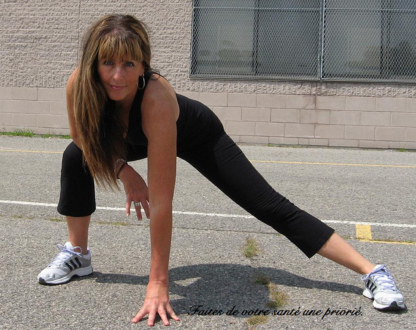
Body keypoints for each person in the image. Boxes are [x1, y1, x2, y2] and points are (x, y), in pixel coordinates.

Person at [37, 14, 406, 326]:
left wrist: (158, 284)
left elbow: (162, 203)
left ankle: (373, 272)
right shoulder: (80, 85)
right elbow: (82, 136)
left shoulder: (155, 98)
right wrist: (125, 173)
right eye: (108, 64)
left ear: (143, 65)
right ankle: (78, 254)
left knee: (269, 205)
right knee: (74, 155)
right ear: (93, 62)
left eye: (129, 65)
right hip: (132, 139)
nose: (117, 76)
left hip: (198, 135)